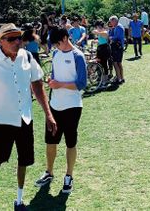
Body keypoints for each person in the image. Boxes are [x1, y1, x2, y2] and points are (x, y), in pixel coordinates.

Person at [0, 24, 53, 211]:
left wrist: (48, 114)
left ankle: (19, 200)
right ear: (1, 41)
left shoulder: (27, 57)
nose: (17, 41)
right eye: (11, 39)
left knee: (24, 159)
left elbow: (38, 85)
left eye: (19, 37)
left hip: (25, 118)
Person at [37, 28, 86, 196]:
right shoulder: (56, 54)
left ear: (65, 38)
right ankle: (49, 172)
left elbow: (81, 83)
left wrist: (61, 85)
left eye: (57, 43)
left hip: (72, 106)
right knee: (50, 141)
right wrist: (52, 82)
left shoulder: (78, 56)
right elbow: (55, 75)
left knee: (70, 143)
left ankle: (69, 176)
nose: (55, 47)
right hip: (54, 105)